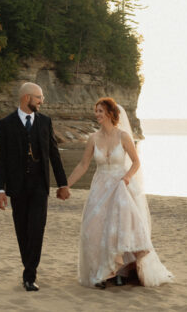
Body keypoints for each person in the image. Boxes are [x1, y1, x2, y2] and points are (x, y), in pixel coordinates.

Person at [65, 96, 174, 289]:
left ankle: (120, 272)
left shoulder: (123, 136)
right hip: (99, 187)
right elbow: (83, 165)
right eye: (96, 111)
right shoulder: (93, 138)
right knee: (94, 229)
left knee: (119, 228)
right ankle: (100, 272)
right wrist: (66, 185)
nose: (97, 114)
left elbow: (136, 162)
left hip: (120, 186)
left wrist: (127, 177)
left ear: (110, 113)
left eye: (100, 111)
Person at [0, 82, 70, 291]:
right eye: (39, 97)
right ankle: (28, 267)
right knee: (22, 231)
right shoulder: (6, 124)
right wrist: (0, 189)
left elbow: (54, 154)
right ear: (26, 98)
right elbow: (1, 159)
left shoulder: (45, 122)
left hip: (39, 187)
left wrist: (62, 184)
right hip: (17, 187)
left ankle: (29, 275)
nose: (42, 101)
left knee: (37, 229)